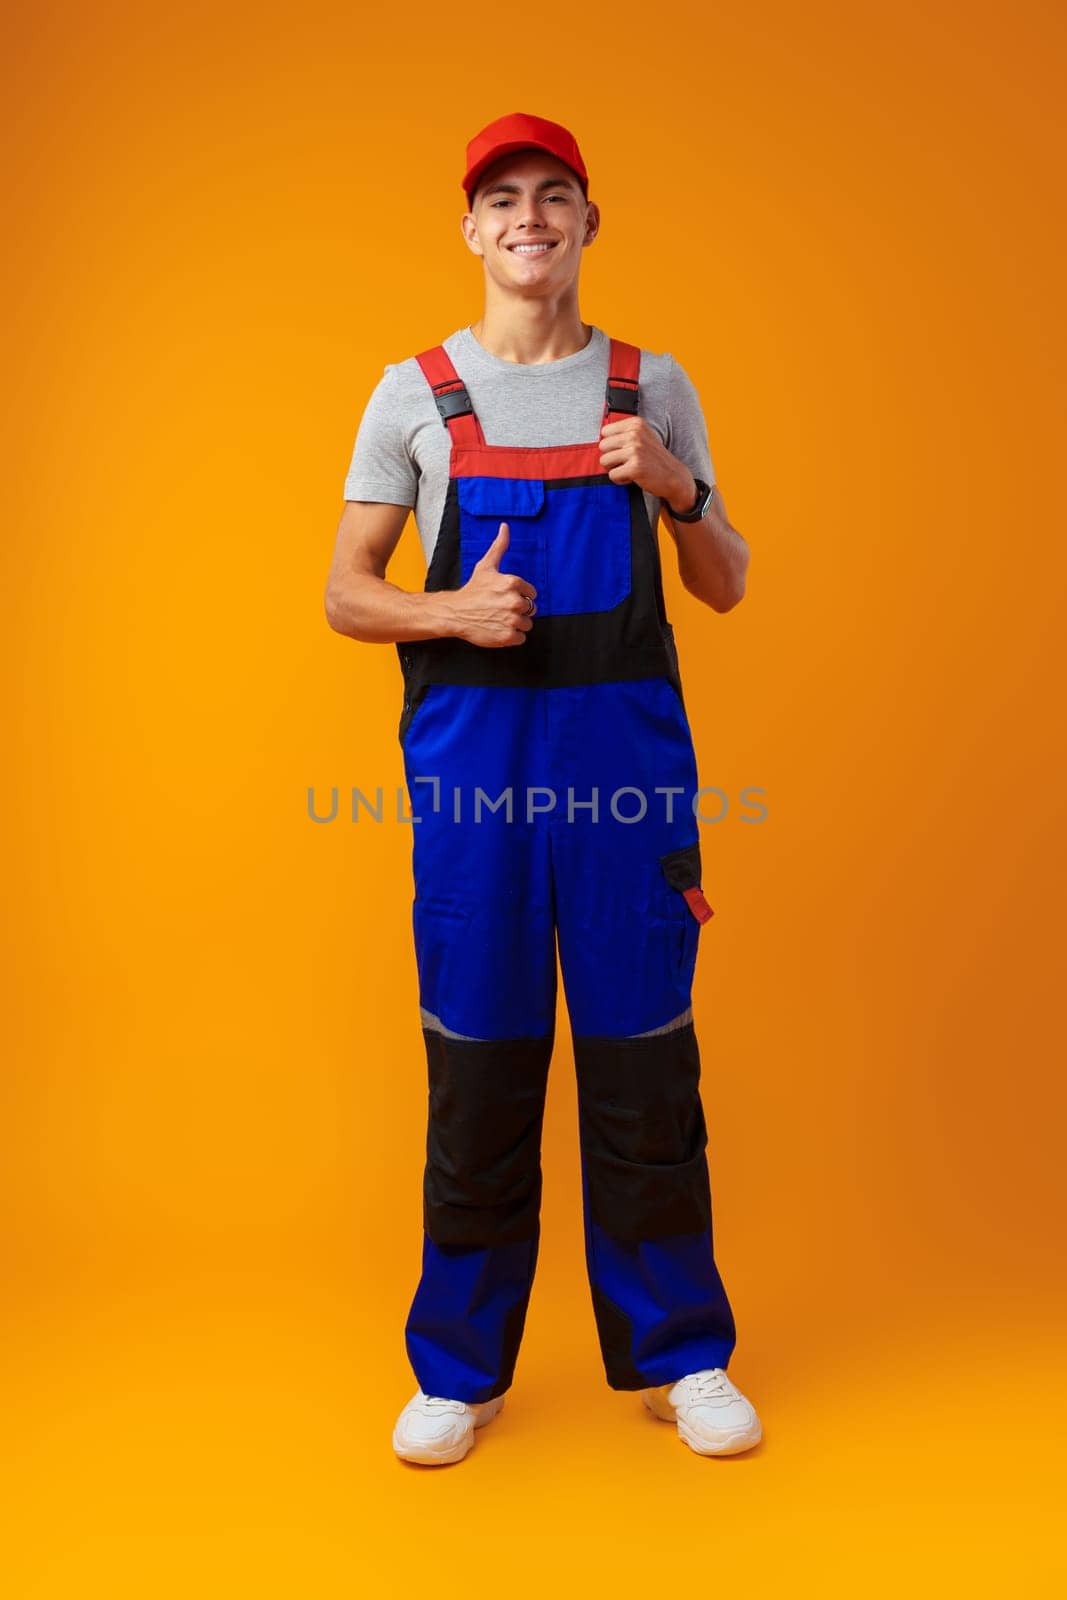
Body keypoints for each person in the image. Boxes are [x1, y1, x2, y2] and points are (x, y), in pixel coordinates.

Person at [325, 112, 761, 1466]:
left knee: (645, 1072)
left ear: (585, 222)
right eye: (503, 198)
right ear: (472, 228)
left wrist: (678, 485)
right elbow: (346, 596)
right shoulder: (414, 394)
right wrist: (451, 610)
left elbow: (726, 582)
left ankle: (684, 1358)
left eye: (554, 195)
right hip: (477, 803)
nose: (529, 217)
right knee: (479, 1072)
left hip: (628, 795)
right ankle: (459, 1371)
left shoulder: (652, 385)